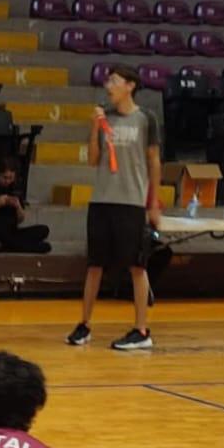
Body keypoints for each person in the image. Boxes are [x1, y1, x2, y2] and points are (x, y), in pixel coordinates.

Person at [68, 63, 161, 351]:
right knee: (94, 265)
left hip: (131, 202)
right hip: (102, 200)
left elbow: (154, 161)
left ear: (130, 85)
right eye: (108, 81)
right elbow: (93, 160)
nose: (108, 86)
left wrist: (153, 203)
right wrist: (94, 128)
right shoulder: (104, 118)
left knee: (136, 266)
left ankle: (141, 330)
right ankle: (84, 325)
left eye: (114, 81)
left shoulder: (146, 119)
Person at [0, 157, 50, 253]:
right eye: (5, 177)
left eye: (11, 178)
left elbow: (20, 219)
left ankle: (6, 246)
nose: (8, 181)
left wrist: (18, 207)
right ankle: (28, 247)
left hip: (10, 232)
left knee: (43, 230)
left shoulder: (14, 188)